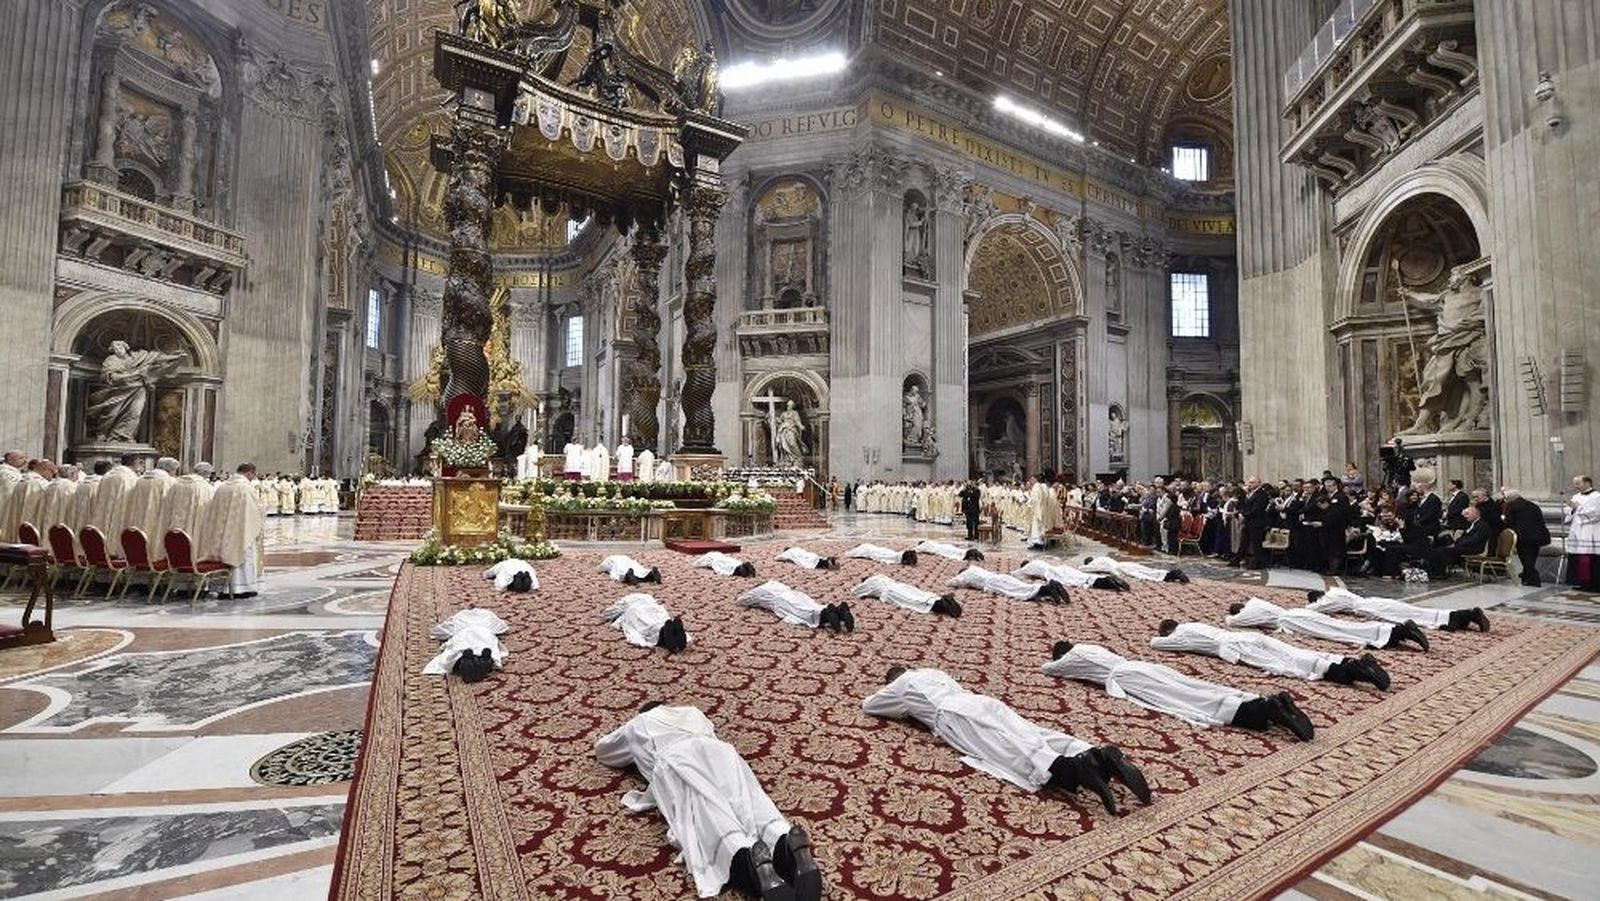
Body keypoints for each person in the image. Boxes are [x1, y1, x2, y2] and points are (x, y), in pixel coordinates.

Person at [595, 703, 822, 900]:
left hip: (678, 760)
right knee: (752, 804)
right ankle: (785, 842)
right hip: (721, 753)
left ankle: (753, 866)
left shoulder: (639, 722)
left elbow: (605, 751)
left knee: (712, 820)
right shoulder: (693, 712)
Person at [863, 666, 1151, 814]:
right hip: (979, 701)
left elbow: (871, 706)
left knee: (1006, 749)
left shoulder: (900, 685)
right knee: (1030, 731)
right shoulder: (932, 671)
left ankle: (1071, 770)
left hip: (953, 714)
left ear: (892, 679)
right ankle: (1094, 754)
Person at [1043, 641, 1314, 741]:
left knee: (1190, 700)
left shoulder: (1072, 657)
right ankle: (1264, 702)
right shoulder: (1090, 647)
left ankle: (1260, 710)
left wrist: (1054, 660)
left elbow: (1049, 669)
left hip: (1127, 677)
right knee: (1195, 687)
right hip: (1140, 666)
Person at [1153, 620, 1390, 690]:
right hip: (1245, 637)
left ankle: (1351, 672)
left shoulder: (1180, 635)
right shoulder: (1194, 624)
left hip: (1236, 647)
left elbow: (1156, 644)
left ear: (1169, 631)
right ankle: (1350, 663)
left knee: (1289, 666)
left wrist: (1163, 635)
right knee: (1295, 653)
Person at [1226, 598, 1428, 651]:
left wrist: (1231, 616)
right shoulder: (1257, 603)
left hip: (1292, 621)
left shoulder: (1250, 612)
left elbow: (1233, 622)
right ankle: (1397, 631)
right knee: (1341, 627)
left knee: (1339, 631)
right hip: (1297, 615)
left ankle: (1397, 631)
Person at [197, 463, 266, 599]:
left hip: (222, 531)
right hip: (242, 531)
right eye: (253, 475)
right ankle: (242, 588)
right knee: (244, 556)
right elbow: (255, 511)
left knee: (224, 555)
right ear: (250, 473)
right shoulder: (246, 488)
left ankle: (222, 587)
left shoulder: (223, 487)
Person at [1305, 588, 1488, 632]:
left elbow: (1316, 609)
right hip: (1374, 602)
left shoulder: (1331, 597)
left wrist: (1310, 605)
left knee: (1414, 615)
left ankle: (1465, 615)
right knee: (1414, 612)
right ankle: (1463, 617)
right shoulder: (1339, 592)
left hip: (1370, 607)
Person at [737, 580, 854, 632]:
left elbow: (741, 600)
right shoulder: (775, 583)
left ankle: (826, 614)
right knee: (810, 605)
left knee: (800, 613)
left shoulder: (759, 590)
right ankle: (839, 612)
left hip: (781, 600)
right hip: (796, 594)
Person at [121, 456, 178, 561]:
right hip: (159, 520)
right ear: (171, 470)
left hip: (139, 517)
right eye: (175, 471)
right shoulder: (169, 481)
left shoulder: (141, 479)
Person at [85, 454, 140, 554]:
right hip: (121, 515)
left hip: (104, 513)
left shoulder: (108, 475)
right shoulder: (130, 477)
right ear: (135, 462)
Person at [602, 594, 688, 652]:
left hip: (634, 608)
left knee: (643, 623)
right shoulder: (648, 598)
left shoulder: (625, 601)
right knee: (659, 618)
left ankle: (664, 634)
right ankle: (668, 631)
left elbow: (608, 614)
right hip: (652, 607)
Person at [1501, 488, 1550, 587]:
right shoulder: (1533, 505)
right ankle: (1526, 577)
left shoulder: (1512, 507)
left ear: (1509, 498)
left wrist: (1504, 519)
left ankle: (1534, 579)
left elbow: (1509, 522)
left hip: (1523, 537)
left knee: (1525, 558)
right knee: (1532, 558)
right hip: (1538, 536)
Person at [852, 574, 962, 617]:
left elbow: (855, 592)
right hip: (899, 585)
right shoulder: (880, 576)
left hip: (890, 592)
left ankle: (940, 604)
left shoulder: (869, 582)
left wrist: (863, 589)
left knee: (911, 601)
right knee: (917, 594)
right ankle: (939, 600)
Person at [160, 462, 215, 547]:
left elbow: (167, 505)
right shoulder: (206, 488)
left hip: (173, 528)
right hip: (194, 532)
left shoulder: (176, 484)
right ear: (206, 474)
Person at [949, 565, 1069, 603]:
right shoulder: (976, 569)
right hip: (1000, 577)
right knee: (1022, 588)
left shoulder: (967, 573)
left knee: (1019, 592)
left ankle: (1047, 589)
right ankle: (1049, 590)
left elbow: (953, 582)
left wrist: (950, 580)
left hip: (993, 583)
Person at [1013, 558, 1129, 592]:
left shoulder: (1031, 566)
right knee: (1081, 577)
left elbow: (1017, 573)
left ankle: (1108, 582)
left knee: (1079, 581)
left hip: (1054, 573)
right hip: (1063, 569)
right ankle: (1107, 580)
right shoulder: (1040, 562)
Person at [1568, 475, 1600, 592]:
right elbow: (1569, 512)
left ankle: (1594, 584)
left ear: (1587, 483)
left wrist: (1578, 508)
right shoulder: (1576, 496)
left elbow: (1596, 514)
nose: (1575, 486)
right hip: (1577, 530)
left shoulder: (1597, 496)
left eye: (1578, 483)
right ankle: (1581, 582)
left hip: (1590, 531)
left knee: (1590, 558)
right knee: (1579, 558)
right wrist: (1571, 509)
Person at [1080, 554, 1189, 584]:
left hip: (1121, 569)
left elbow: (1083, 569)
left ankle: (1172, 575)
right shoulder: (1103, 558)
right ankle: (1172, 574)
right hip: (1125, 564)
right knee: (1147, 571)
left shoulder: (1095, 563)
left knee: (1147, 576)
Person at [1240, 477, 1272, 569]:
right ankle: (1238, 560)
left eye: (1252, 482)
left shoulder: (1262, 494)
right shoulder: (1249, 494)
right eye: (1249, 482)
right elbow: (1244, 505)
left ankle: (1258, 563)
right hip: (1248, 522)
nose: (1250, 484)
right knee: (1244, 542)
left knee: (1256, 544)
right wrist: (1242, 513)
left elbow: (1256, 510)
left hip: (1257, 523)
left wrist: (1245, 515)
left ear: (1258, 483)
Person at [692, 551, 756, 578]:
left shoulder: (713, 559)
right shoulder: (713, 557)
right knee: (732, 565)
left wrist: (726, 574)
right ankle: (742, 568)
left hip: (722, 560)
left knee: (729, 566)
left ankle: (742, 569)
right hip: (728, 561)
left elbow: (718, 570)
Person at [844, 543, 917, 566]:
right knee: (885, 553)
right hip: (873, 549)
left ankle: (904, 556)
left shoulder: (864, 546)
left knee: (883, 553)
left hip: (870, 549)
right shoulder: (865, 546)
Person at [912, 539, 984, 562]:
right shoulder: (931, 542)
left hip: (940, 550)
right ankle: (969, 552)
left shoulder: (924, 545)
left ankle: (969, 553)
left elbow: (915, 550)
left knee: (954, 553)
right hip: (944, 546)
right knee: (956, 550)